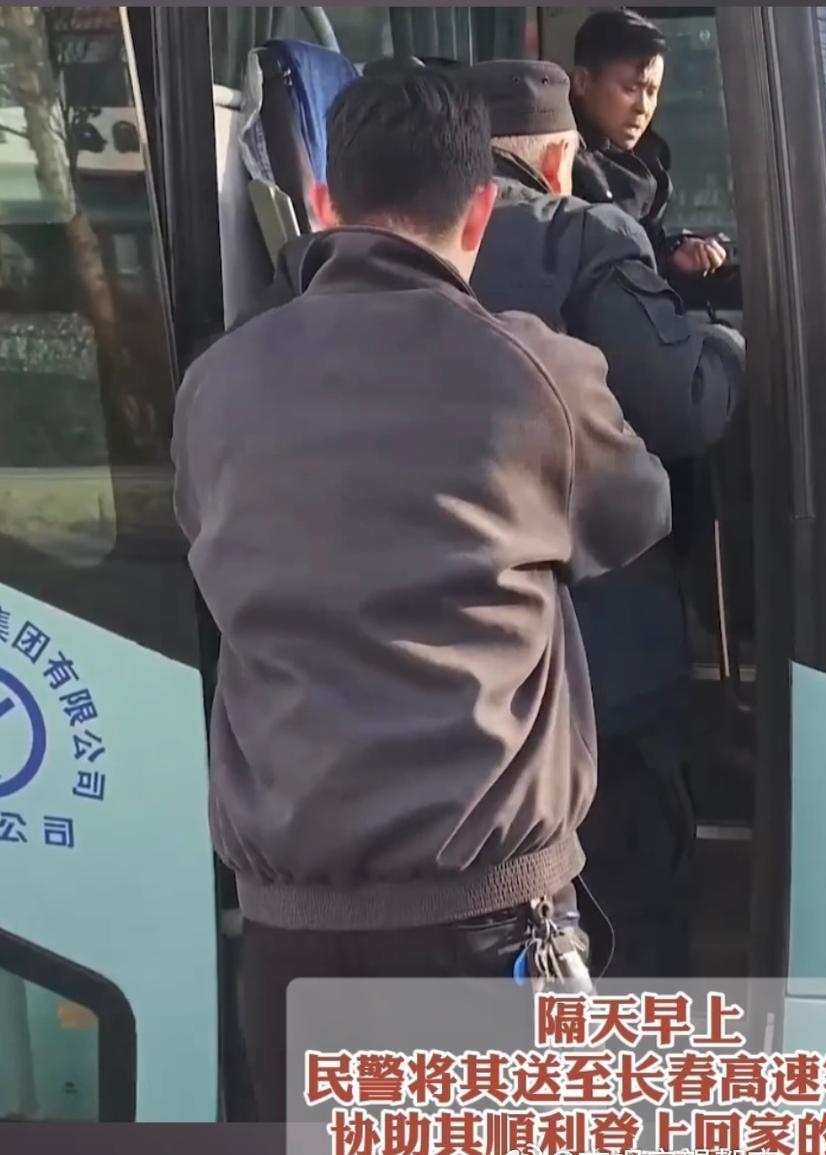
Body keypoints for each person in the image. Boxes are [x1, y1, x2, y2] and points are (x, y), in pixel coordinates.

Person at [171, 67, 671, 1120]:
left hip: (286, 940)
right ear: (480, 211)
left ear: (323, 204)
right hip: (485, 932)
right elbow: (636, 516)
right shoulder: (534, 371)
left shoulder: (215, 383)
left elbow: (206, 541)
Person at [463, 57, 747, 981]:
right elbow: (685, 406)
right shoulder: (585, 237)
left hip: (437, 698)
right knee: (630, 898)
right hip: (597, 673)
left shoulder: (364, 261)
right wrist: (726, 341)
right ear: (558, 158)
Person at [569, 8, 727, 286]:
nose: (643, 107)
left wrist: (673, 258)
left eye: (652, 92)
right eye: (630, 89)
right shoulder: (564, 167)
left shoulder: (648, 164)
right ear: (583, 82)